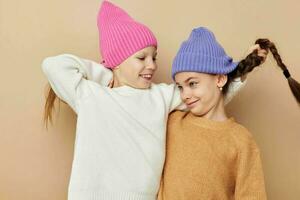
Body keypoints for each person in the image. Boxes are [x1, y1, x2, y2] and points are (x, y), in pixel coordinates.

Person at [41, 1, 266, 200]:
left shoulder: (160, 96)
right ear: (116, 61)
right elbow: (53, 66)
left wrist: (244, 67)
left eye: (154, 57)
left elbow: (208, 93)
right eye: (141, 58)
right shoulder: (92, 95)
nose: (152, 65)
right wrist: (108, 73)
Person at [158, 27, 300, 200]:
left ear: (220, 79)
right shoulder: (172, 123)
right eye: (180, 87)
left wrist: (243, 67)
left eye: (192, 83)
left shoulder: (241, 141)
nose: (184, 94)